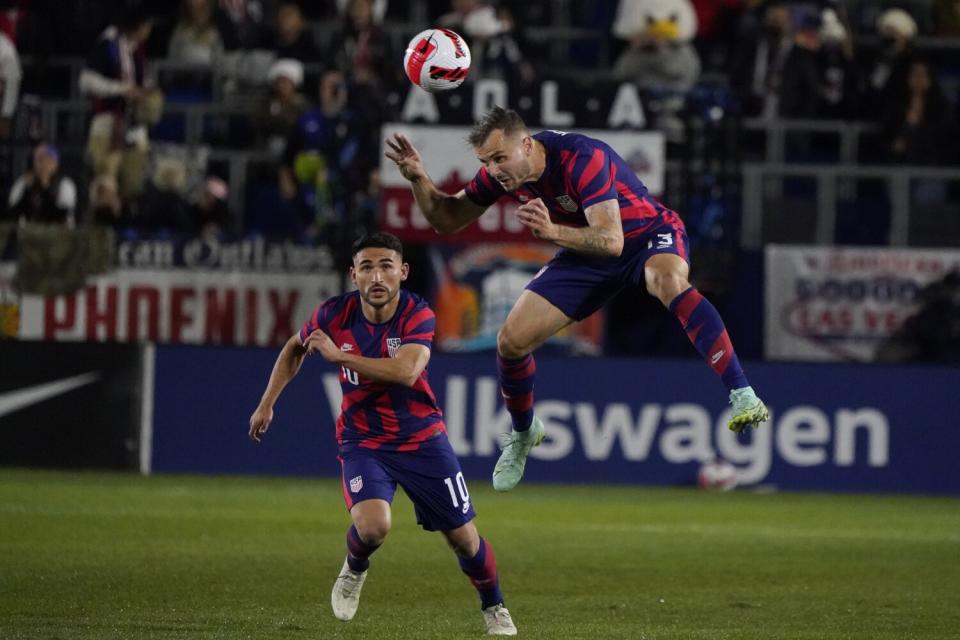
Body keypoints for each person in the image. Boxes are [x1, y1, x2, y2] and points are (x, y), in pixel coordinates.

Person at [384, 106, 769, 492]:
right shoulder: (503, 176)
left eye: (500, 158)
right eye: (487, 161)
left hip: (645, 235)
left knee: (667, 280)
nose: (494, 169)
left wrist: (552, 231)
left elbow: (613, 239)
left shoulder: (582, 157)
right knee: (511, 341)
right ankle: (523, 433)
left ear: (527, 145)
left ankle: (742, 393)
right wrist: (420, 179)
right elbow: (446, 219)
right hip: (587, 252)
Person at [247, 232, 518, 636]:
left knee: (464, 539)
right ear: (352, 274)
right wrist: (268, 401)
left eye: (386, 266)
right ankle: (354, 568)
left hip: (422, 440)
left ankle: (494, 605)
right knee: (373, 527)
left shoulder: (417, 314)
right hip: (363, 441)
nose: (377, 276)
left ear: (403, 272)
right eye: (367, 267)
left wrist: (342, 357)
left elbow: (407, 371)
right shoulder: (331, 315)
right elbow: (294, 347)